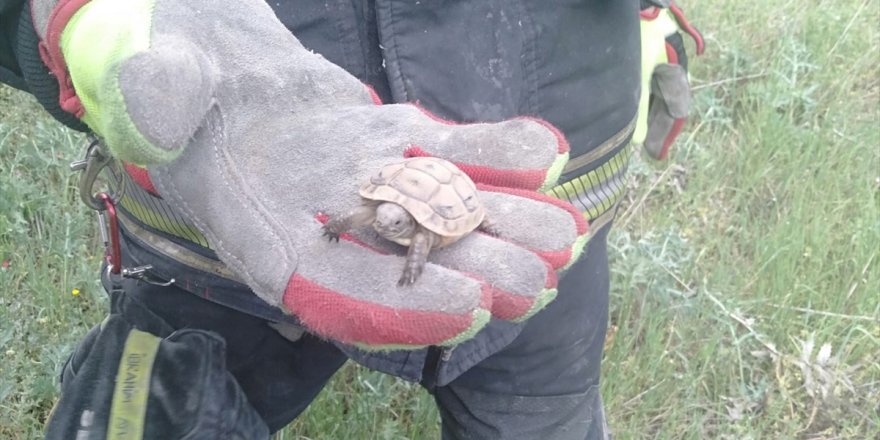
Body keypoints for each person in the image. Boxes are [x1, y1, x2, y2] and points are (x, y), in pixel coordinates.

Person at [0, 0, 702, 438]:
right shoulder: (371, 212)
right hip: (215, 226)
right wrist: (73, 14)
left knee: (542, 417)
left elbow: (418, 229)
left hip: (543, 201)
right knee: (136, 412)